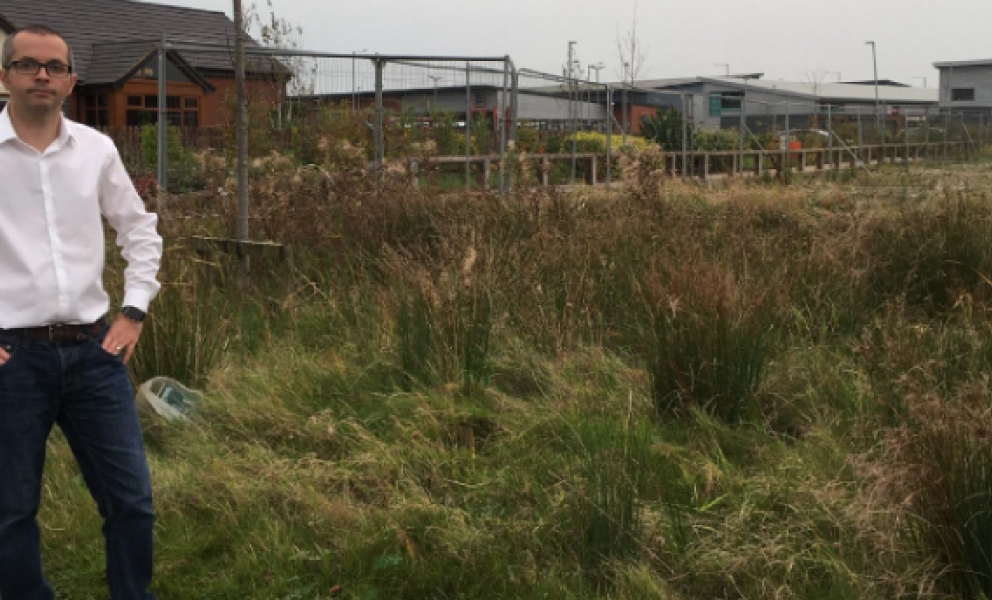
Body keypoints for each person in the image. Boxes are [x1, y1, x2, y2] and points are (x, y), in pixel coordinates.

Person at [0, 24, 163, 600]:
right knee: (10, 513)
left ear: (71, 81)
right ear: (4, 76)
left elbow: (140, 232)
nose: (40, 74)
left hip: (96, 354)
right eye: (26, 64)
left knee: (132, 503)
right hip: (11, 360)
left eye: (53, 66)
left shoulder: (97, 150)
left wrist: (134, 311)